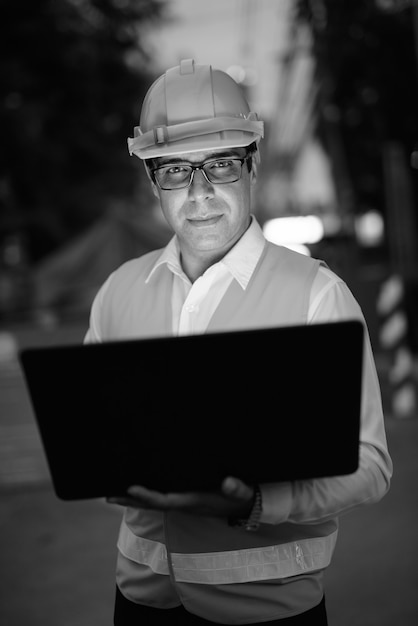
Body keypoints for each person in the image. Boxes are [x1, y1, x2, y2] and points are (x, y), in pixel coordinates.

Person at [85, 59, 392, 625]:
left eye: (220, 165)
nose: (199, 193)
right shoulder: (119, 292)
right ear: (153, 180)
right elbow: (92, 438)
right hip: (140, 602)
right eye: (175, 170)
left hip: (269, 610)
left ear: (252, 165)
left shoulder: (317, 297)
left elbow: (370, 465)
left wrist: (257, 503)